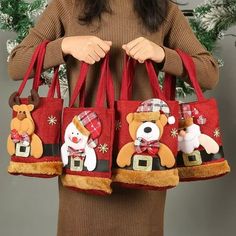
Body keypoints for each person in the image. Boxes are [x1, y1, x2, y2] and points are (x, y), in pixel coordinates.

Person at [7, 0, 219, 235]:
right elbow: (17, 64)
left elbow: (209, 74)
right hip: (85, 164)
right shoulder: (66, 6)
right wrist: (65, 45)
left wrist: (162, 55)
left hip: (143, 170)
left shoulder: (164, 10)